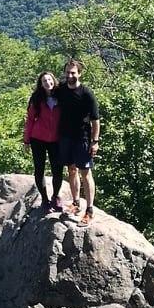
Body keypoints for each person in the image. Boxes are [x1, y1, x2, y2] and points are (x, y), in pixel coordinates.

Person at [55, 59, 100, 227]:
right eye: (67, 72)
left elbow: (95, 120)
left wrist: (95, 141)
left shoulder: (86, 93)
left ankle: (90, 210)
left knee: (86, 173)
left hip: (82, 138)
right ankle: (76, 203)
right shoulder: (61, 90)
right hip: (65, 137)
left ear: (79, 74)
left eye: (73, 72)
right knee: (71, 170)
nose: (70, 75)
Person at [23, 71, 63, 213]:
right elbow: (30, 120)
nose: (48, 83)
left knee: (57, 170)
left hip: (56, 139)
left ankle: (55, 197)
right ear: (41, 84)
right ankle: (45, 200)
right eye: (44, 81)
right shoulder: (36, 98)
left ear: (54, 80)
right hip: (38, 139)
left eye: (49, 80)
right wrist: (26, 140)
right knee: (39, 170)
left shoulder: (61, 96)